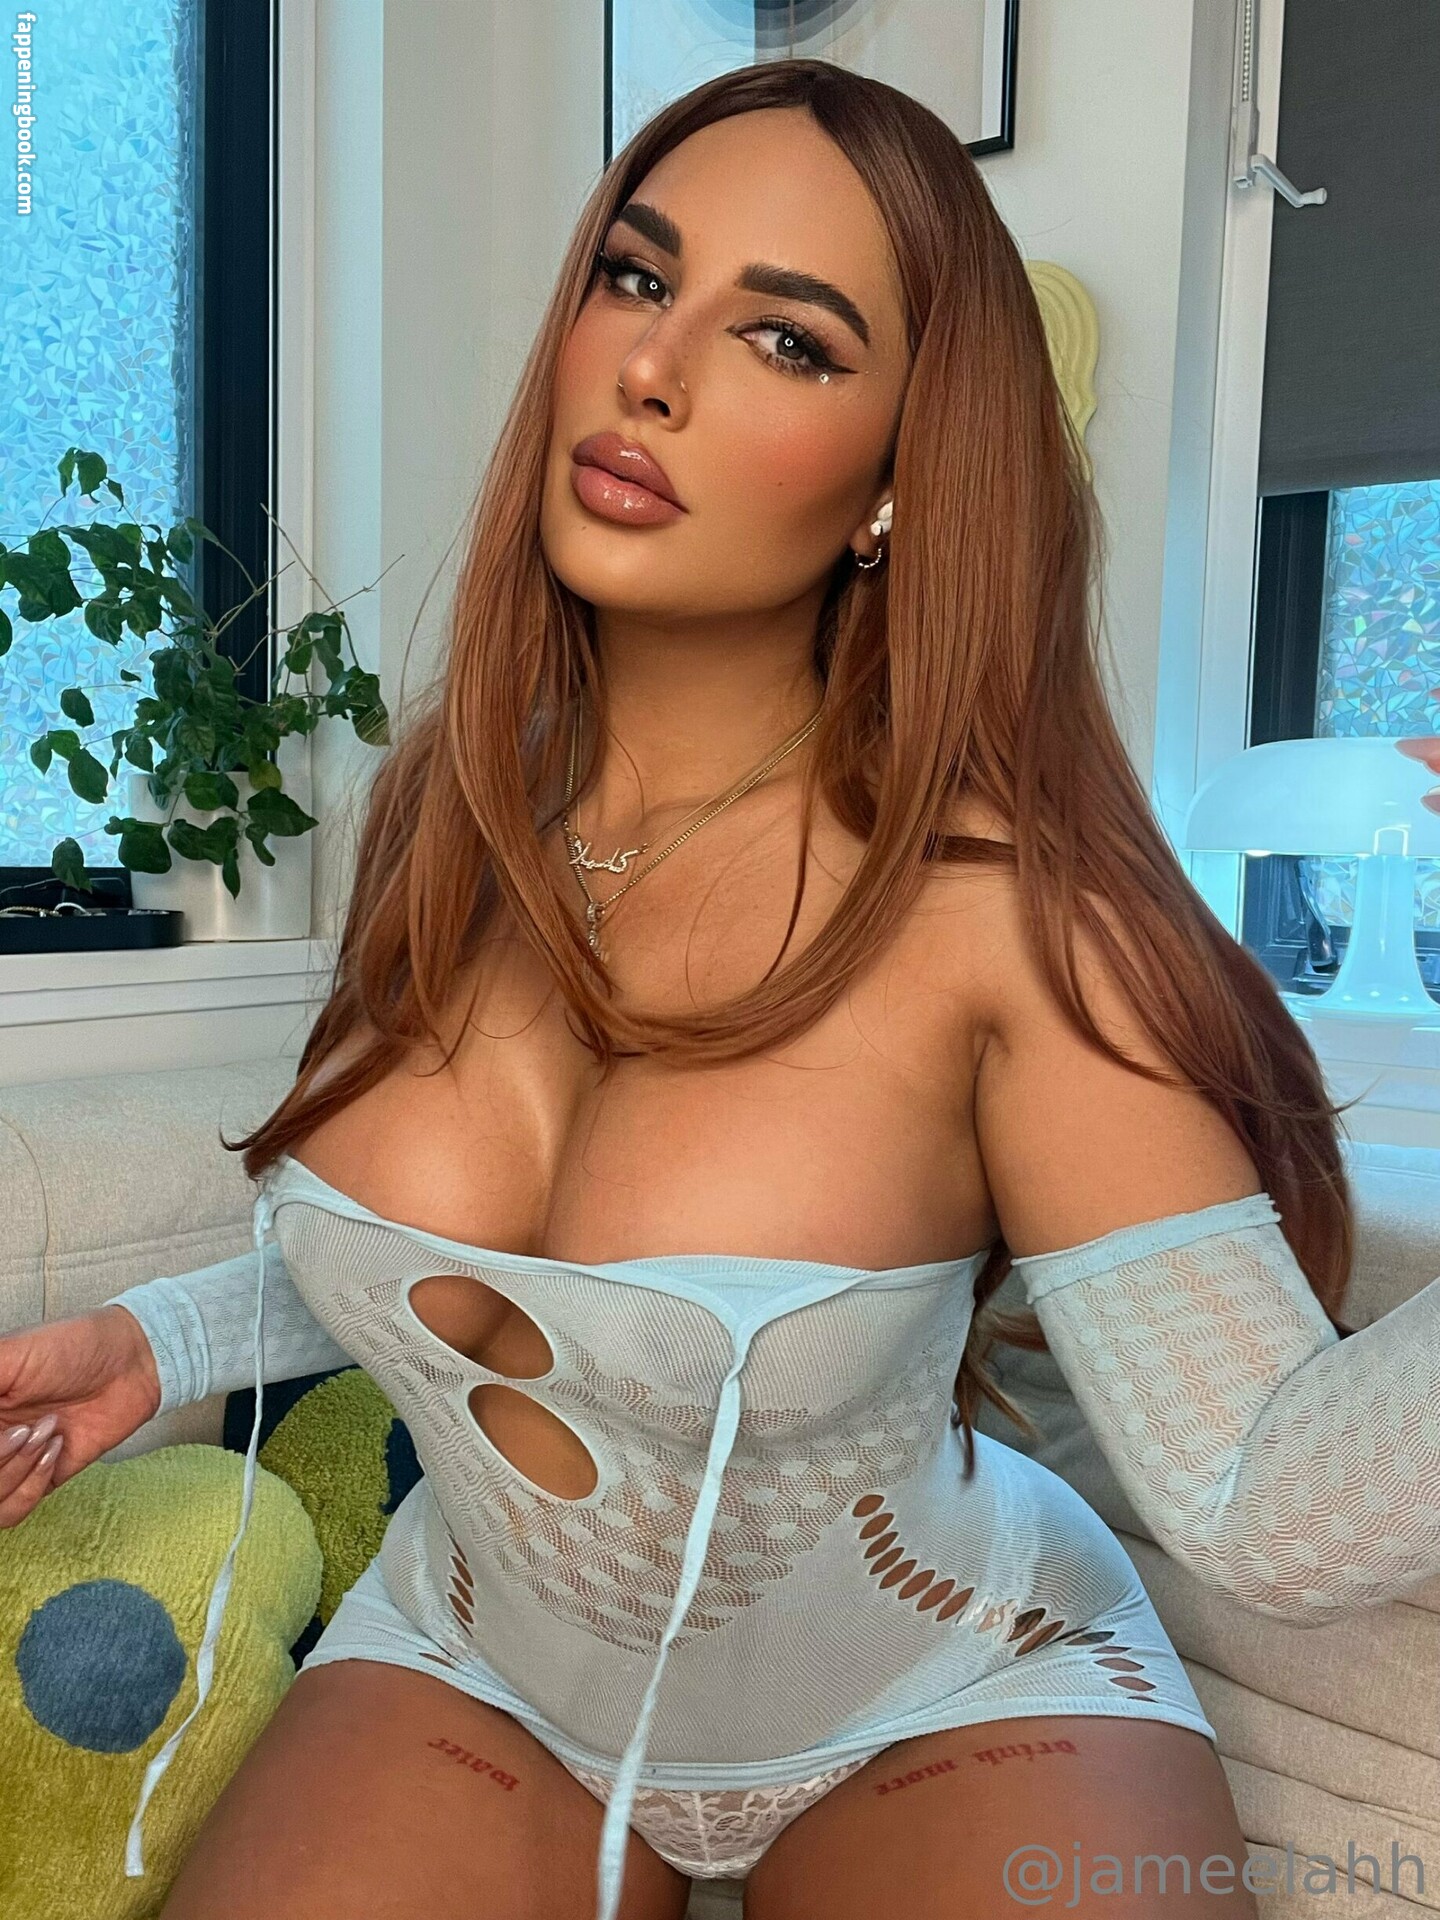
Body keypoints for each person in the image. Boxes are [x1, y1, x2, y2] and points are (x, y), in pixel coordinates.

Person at [3, 57, 1440, 1920]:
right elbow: (488, 1276)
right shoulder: (444, 812)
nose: (653, 369)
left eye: (788, 341)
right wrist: (160, 1345)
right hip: (473, 1652)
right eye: (636, 275)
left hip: (948, 1693)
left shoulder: (1010, 914)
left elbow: (1266, 1498)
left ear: (900, 480)